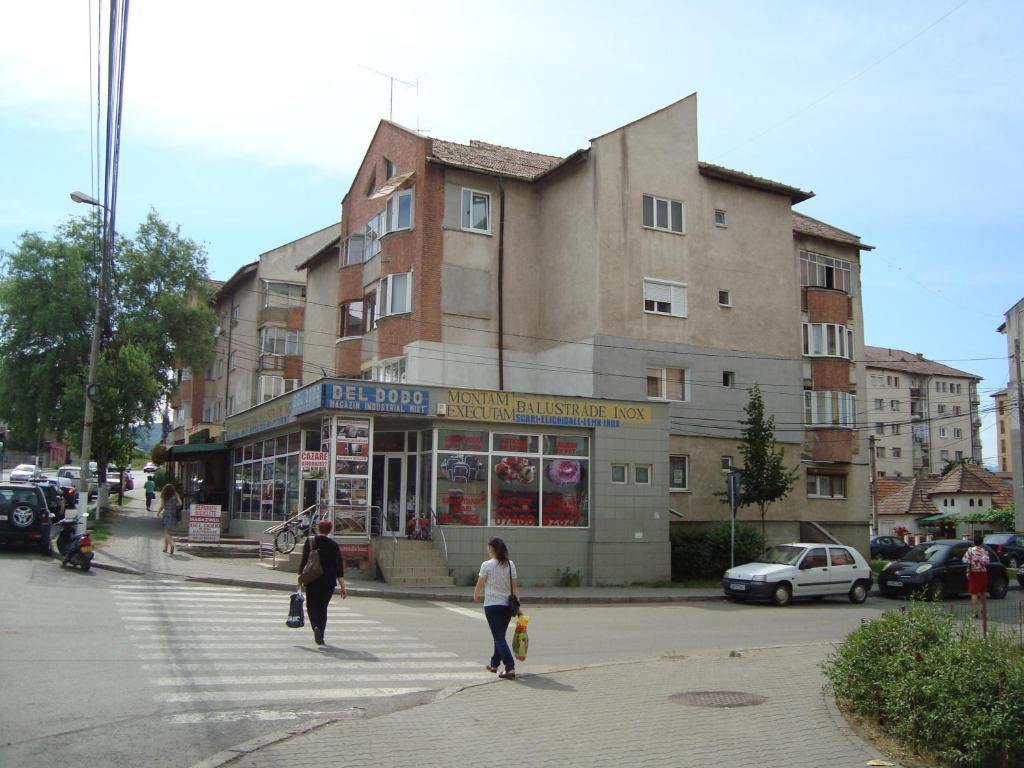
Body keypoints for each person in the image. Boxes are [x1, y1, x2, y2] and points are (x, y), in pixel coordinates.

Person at [473, 536, 520, 680]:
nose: (487, 549)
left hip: (492, 606)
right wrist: (518, 606)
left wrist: (476, 595)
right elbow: (514, 588)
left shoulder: (486, 565)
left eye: (488, 547)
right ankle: (494, 664)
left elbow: (480, 584)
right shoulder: (510, 564)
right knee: (499, 636)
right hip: (506, 606)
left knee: (498, 637)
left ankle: (510, 667)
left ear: (492, 549)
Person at [299, 519, 346, 645]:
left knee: (311, 605)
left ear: (318, 528)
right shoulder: (334, 545)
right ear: (330, 530)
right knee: (323, 607)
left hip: (313, 579)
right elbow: (339, 568)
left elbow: (304, 562)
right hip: (329, 582)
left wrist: (300, 580)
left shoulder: (310, 542)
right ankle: (321, 635)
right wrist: (342, 587)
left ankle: (315, 627)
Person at [965, 533, 990, 617]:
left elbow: (966, 561)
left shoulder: (970, 550)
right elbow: (987, 562)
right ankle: (984, 611)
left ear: (974, 542)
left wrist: (968, 572)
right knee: (983, 593)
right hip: (983, 573)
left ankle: (974, 612)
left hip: (974, 573)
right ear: (982, 542)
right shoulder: (985, 551)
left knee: (974, 593)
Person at [156, 484, 183, 555]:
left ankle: (171, 544)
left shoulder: (164, 496)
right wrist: (175, 505)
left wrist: (158, 512)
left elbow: (162, 506)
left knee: (166, 532)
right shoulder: (176, 494)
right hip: (173, 515)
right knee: (169, 532)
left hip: (167, 515)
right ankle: (165, 548)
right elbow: (180, 503)